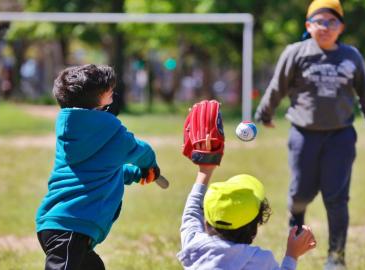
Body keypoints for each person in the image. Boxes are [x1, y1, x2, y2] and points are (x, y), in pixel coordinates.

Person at [254, 0, 365, 269]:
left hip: (340, 137)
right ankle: (295, 245)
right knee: (300, 194)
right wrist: (264, 113)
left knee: (337, 198)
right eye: (319, 21)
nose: (325, 27)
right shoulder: (296, 52)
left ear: (341, 27)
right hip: (304, 135)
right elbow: (277, 86)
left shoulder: (351, 57)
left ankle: (335, 258)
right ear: (308, 26)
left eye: (331, 21)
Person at [36, 64, 160, 270]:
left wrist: (134, 174)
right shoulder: (115, 134)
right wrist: (150, 166)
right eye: (110, 91)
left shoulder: (71, 132)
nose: (114, 95)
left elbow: (94, 170)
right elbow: (142, 151)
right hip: (70, 228)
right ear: (101, 97)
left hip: (60, 225)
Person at [177, 146, 316, 270]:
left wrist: (204, 171)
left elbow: (191, 212)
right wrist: (292, 255)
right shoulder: (259, 261)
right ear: (253, 230)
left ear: (207, 223)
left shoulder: (195, 247)